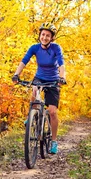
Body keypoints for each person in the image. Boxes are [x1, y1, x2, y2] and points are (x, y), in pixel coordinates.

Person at [12, 23, 66, 154]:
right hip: (39, 78)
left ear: (52, 38)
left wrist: (62, 77)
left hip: (53, 80)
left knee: (52, 112)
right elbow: (24, 61)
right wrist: (16, 74)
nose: (45, 37)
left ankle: (53, 141)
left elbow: (61, 63)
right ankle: (31, 116)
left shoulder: (56, 48)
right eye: (43, 34)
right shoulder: (34, 48)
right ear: (39, 36)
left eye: (48, 35)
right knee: (34, 90)